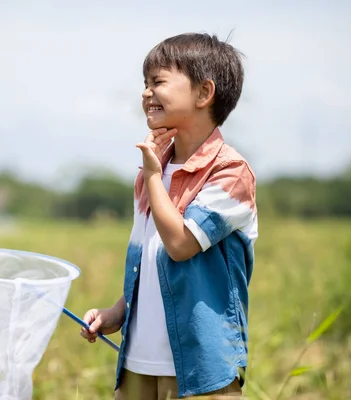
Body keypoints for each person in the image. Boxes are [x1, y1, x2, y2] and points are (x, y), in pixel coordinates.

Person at [80, 32, 258, 399]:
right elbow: (149, 257)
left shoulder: (230, 174)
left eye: (158, 81)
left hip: (201, 368)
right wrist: (118, 311)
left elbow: (179, 245)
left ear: (204, 93)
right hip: (137, 364)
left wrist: (151, 176)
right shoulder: (153, 173)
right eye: (144, 84)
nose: (146, 92)